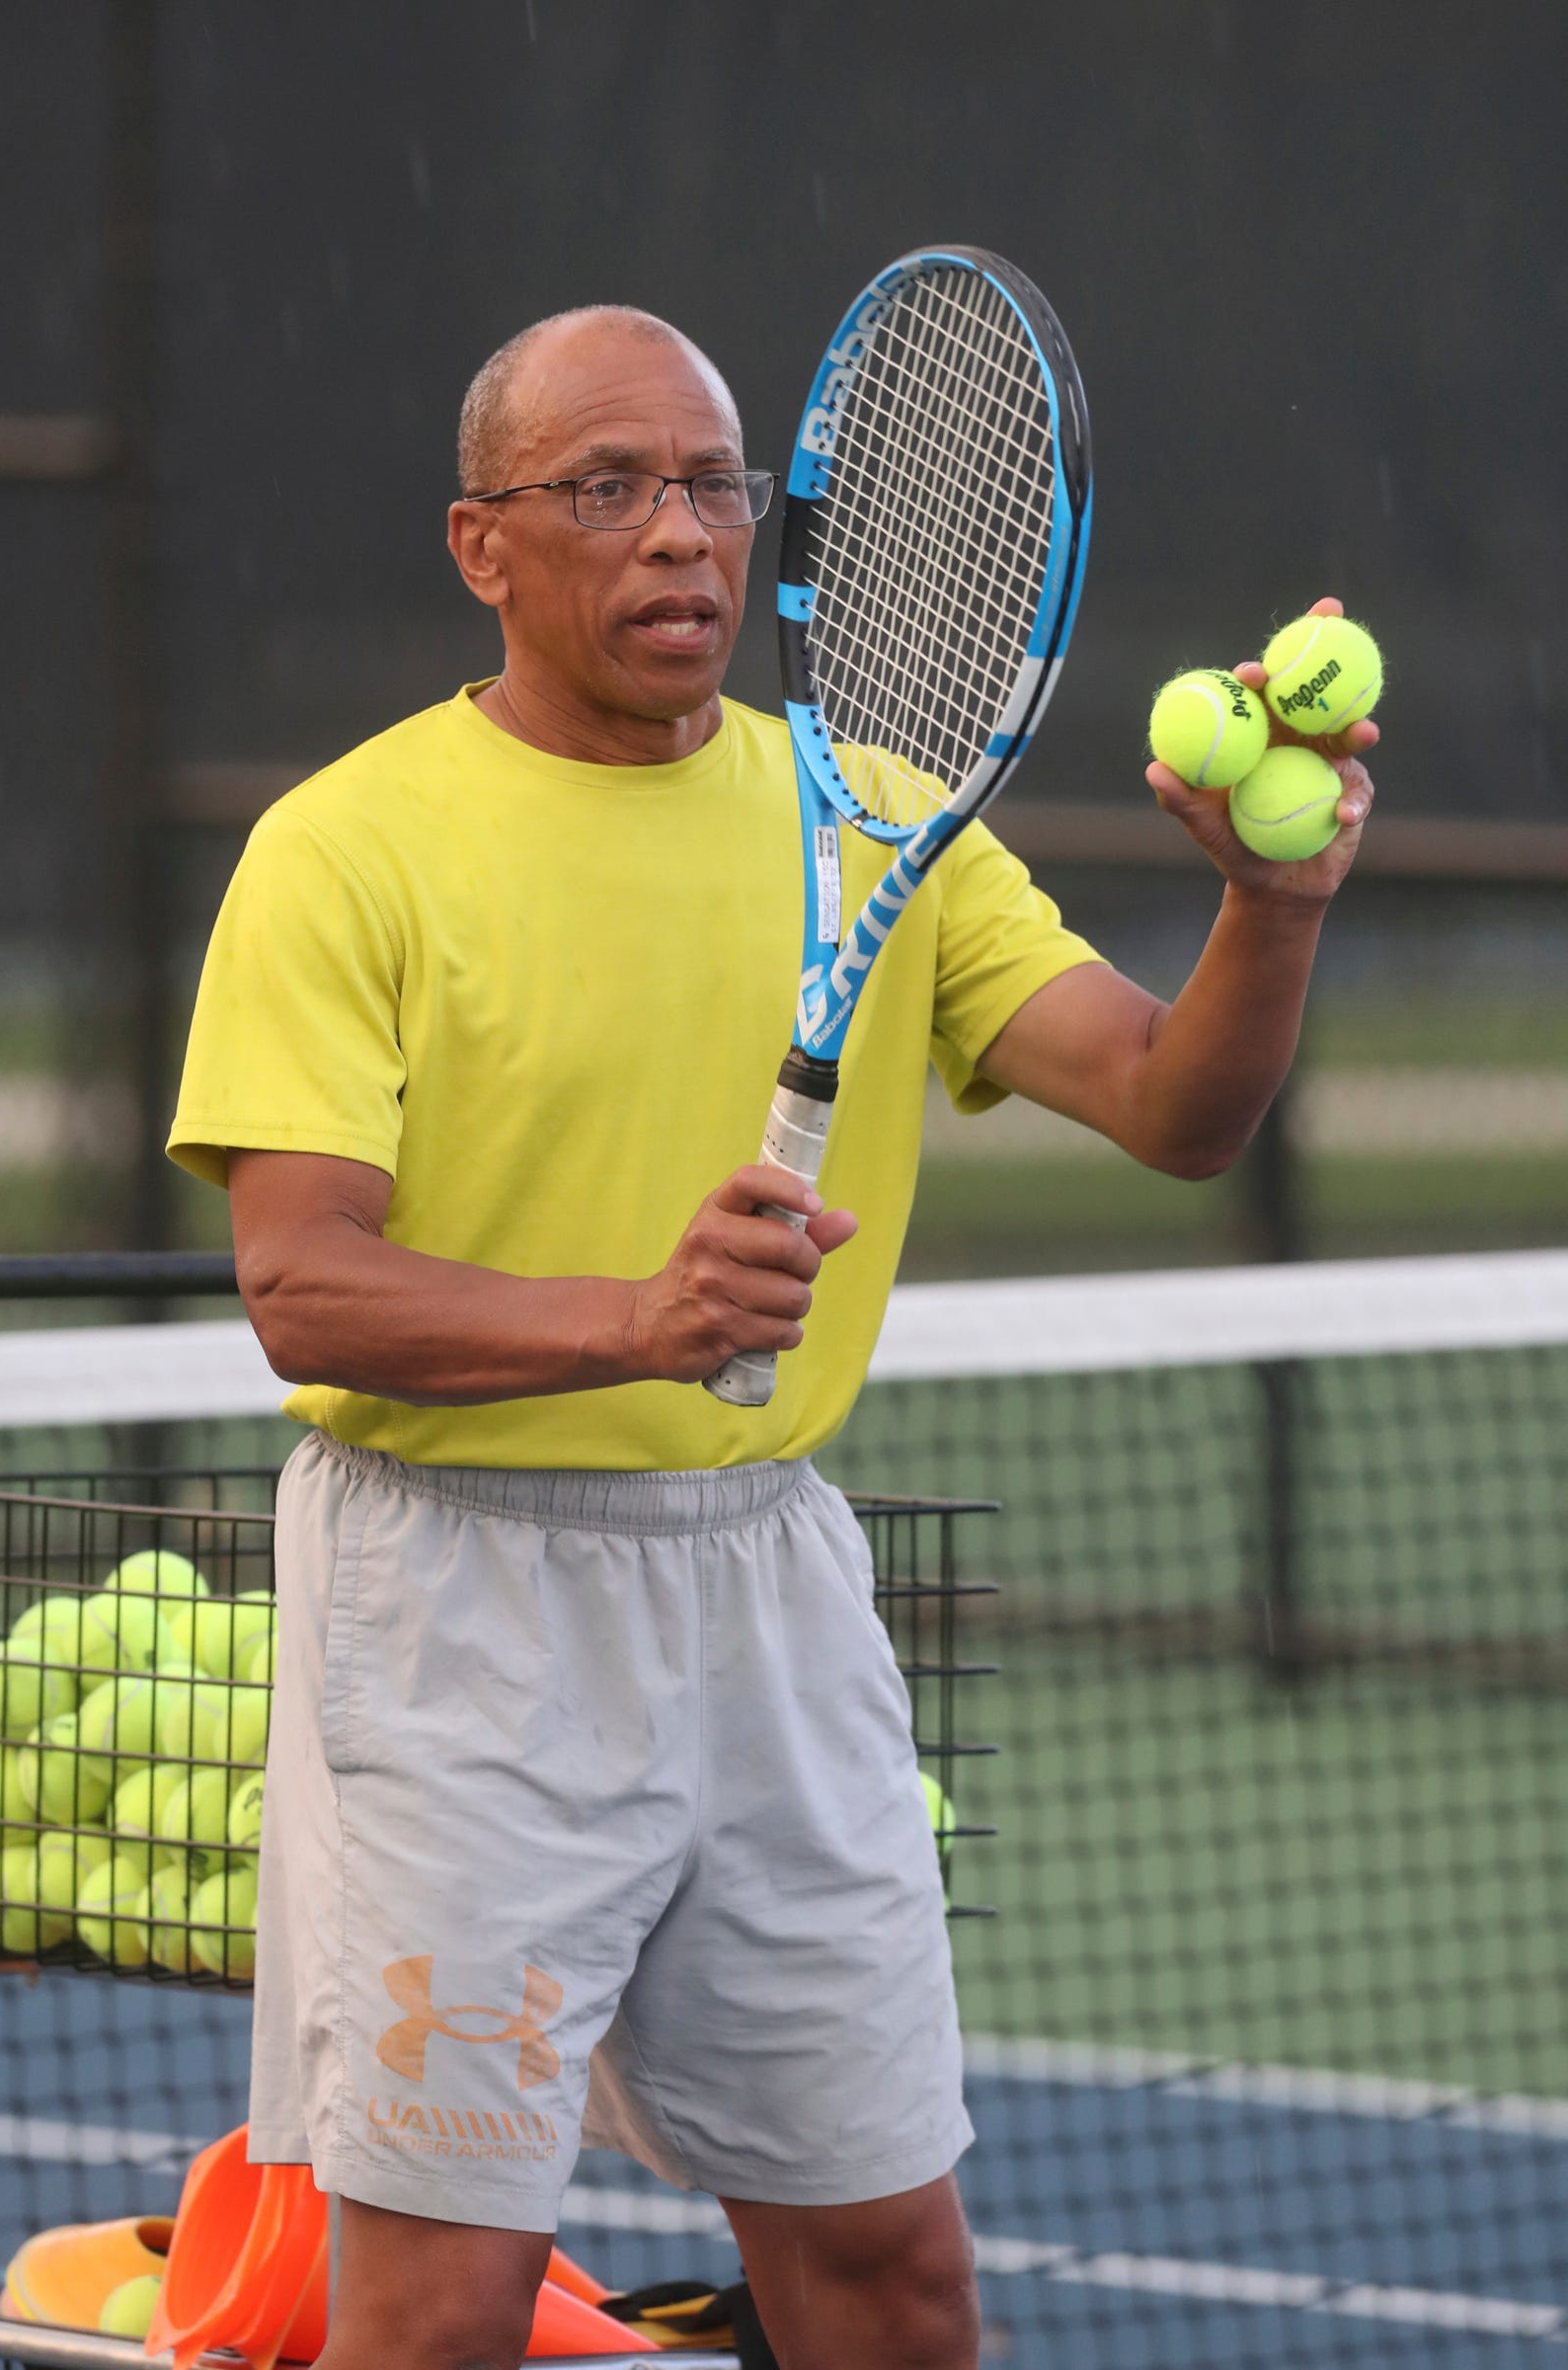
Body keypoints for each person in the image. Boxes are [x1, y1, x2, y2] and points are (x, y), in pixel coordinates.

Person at [168, 303, 1376, 2370]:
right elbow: (301, 1281)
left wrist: (1276, 902)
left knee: (897, 2282)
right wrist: (635, 1320)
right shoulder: (344, 849)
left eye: (711, 487)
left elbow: (1178, 1109)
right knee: (439, 2314)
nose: (675, 539)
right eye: (605, 490)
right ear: (484, 548)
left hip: (775, 1600)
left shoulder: (880, 821)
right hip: (455, 1626)